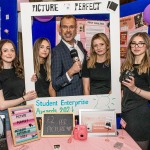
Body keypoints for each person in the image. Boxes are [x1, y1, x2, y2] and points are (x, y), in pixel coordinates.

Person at [120, 32, 150, 150]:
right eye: (134, 43)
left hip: (140, 116)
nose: (136, 46)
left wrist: (134, 88)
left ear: (146, 46)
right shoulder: (127, 66)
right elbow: (124, 91)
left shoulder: (148, 67)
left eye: (140, 43)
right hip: (126, 113)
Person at [0, 39, 37, 130]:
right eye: (5, 50)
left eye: (12, 50)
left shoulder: (18, 70)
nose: (9, 53)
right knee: (7, 144)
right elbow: (2, 105)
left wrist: (31, 81)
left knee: (25, 143)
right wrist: (24, 98)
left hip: (21, 113)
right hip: (6, 116)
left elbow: (20, 90)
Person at [51, 15, 86, 96]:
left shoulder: (79, 44)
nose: (68, 30)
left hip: (83, 97)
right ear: (60, 29)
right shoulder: (56, 51)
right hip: (68, 101)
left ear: (76, 29)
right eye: (64, 27)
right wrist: (71, 71)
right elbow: (55, 84)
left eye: (71, 27)